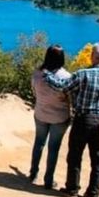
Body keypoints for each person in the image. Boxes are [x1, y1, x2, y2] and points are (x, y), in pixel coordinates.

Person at [44, 42, 99, 197]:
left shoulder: (83, 74)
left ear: (92, 56)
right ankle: (93, 193)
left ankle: (72, 189)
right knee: (98, 159)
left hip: (84, 119)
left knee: (75, 155)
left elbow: (61, 86)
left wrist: (47, 75)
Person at [29, 45, 72, 189]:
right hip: (59, 117)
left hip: (41, 113)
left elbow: (34, 91)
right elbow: (70, 97)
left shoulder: (37, 73)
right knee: (53, 148)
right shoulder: (65, 76)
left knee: (39, 143)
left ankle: (33, 174)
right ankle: (48, 180)